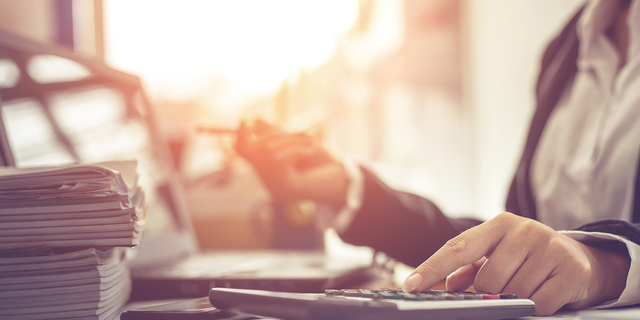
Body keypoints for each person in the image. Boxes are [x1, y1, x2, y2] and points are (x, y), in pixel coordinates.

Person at [235, 0, 640, 316]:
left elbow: (574, 258)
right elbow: (507, 248)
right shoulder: (568, 44)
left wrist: (607, 265)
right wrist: (349, 192)